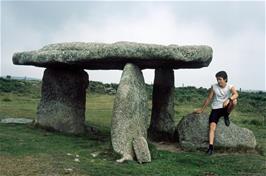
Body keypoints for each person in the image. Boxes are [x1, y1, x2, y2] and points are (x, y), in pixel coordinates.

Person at [194, 71, 238, 155]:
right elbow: (209, 98)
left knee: (234, 101)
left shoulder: (230, 86)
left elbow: (236, 94)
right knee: (212, 126)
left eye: (220, 79)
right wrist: (202, 109)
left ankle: (226, 115)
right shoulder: (214, 87)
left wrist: (229, 99)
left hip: (225, 107)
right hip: (215, 109)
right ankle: (210, 148)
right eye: (217, 79)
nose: (218, 81)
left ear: (225, 79)